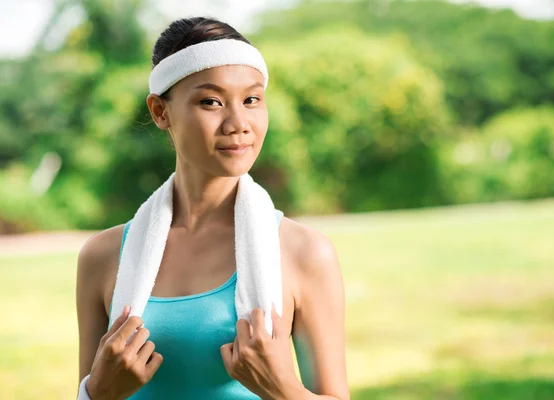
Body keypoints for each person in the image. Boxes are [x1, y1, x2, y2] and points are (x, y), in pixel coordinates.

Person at [76, 16, 349, 400]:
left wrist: (284, 389)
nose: (239, 123)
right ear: (160, 112)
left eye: (252, 99)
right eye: (211, 102)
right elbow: (89, 391)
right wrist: (98, 393)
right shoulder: (102, 257)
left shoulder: (304, 252)